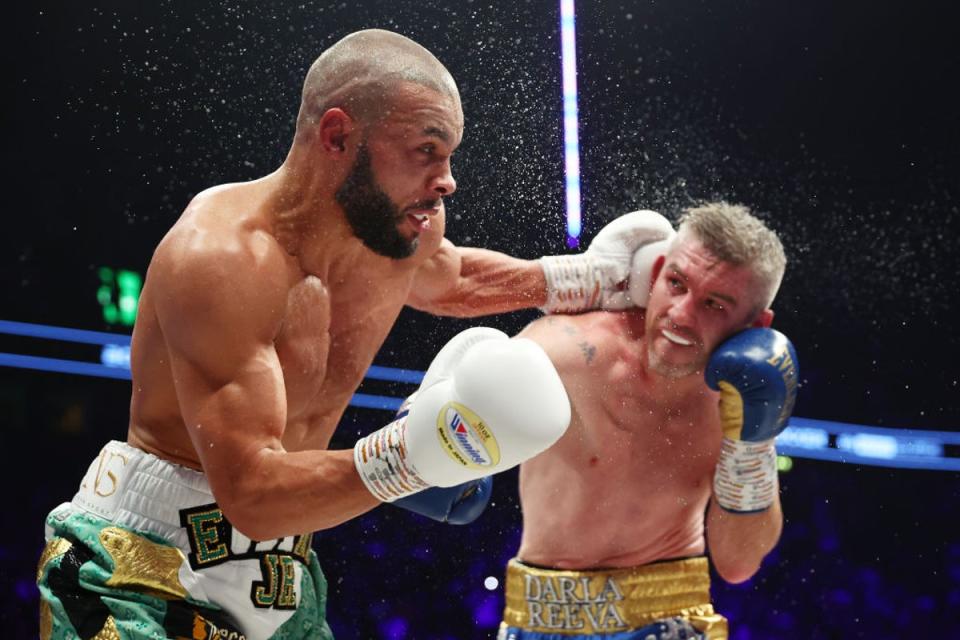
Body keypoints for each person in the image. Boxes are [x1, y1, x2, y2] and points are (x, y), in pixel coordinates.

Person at [35, 29, 675, 640]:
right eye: (426, 150)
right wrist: (415, 456)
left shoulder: (401, 228)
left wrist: (591, 279)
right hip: (144, 566)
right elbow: (251, 495)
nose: (447, 178)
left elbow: (447, 276)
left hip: (281, 574)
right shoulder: (222, 259)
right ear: (338, 134)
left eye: (449, 155)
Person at [498, 202, 799, 640]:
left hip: (671, 616)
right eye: (676, 283)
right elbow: (452, 386)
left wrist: (754, 442)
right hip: (535, 617)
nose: (680, 314)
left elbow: (738, 563)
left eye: (714, 304)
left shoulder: (737, 404)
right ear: (656, 271)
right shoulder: (573, 352)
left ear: (757, 325)